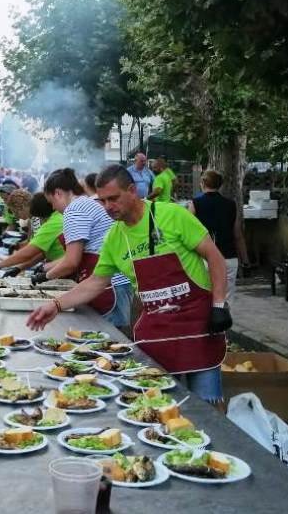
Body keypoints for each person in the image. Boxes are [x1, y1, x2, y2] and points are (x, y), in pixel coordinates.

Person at [27, 165, 232, 405]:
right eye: (102, 201)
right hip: (157, 332)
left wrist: (219, 304)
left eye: (113, 198)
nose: (108, 207)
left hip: (199, 326)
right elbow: (95, 283)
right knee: (161, 407)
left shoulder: (172, 215)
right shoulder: (114, 237)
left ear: (132, 190)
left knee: (208, 407)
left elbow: (214, 257)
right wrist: (56, 305)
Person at [33, 168, 133, 329]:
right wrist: (44, 268)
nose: (53, 208)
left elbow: (71, 262)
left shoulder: (74, 211)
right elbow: (73, 256)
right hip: (118, 282)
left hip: (110, 286)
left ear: (58, 193)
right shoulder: (86, 203)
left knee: (106, 342)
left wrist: (43, 277)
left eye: (51, 202)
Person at [192, 170, 248, 302]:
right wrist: (245, 260)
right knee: (226, 299)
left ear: (203, 183)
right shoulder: (231, 205)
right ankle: (224, 321)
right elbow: (238, 235)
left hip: (204, 259)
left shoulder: (195, 204)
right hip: (228, 258)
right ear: (219, 185)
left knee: (205, 298)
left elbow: (188, 233)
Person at [0, 192, 64, 278]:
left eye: (16, 212)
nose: (16, 217)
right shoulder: (48, 218)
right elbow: (41, 251)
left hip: (60, 268)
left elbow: (30, 252)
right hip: (55, 266)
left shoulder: (52, 223)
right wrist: (19, 268)